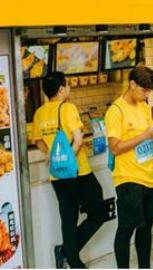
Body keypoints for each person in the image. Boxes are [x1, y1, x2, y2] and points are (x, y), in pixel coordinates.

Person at [32, 72, 104, 269]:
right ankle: (67, 252)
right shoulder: (67, 108)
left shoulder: (39, 113)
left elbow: (38, 140)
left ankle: (72, 259)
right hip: (78, 173)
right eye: (67, 85)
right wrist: (69, 158)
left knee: (68, 219)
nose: (69, 89)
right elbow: (78, 140)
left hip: (57, 175)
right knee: (99, 213)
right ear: (61, 89)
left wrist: (51, 155)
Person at [105, 66, 153, 269]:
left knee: (146, 228)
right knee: (127, 228)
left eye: (150, 91)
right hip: (129, 179)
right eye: (145, 90)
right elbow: (115, 148)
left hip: (150, 175)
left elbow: (149, 139)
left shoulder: (144, 106)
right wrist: (144, 135)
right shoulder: (116, 111)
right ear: (132, 84)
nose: (147, 94)